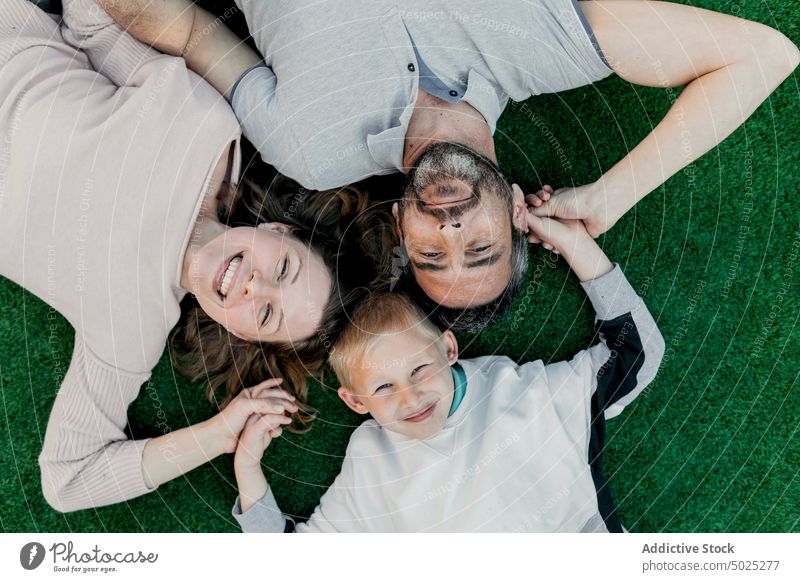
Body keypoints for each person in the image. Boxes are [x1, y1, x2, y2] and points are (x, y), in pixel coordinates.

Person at [99, 0, 799, 330]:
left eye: (434, 254)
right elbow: (767, 56)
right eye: (480, 245)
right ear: (517, 207)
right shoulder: (549, 43)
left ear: (402, 224)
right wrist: (615, 193)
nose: (452, 227)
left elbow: (191, 30)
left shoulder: (310, 150)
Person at [0, 0, 389, 512]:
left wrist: (220, 433)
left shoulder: (130, 334)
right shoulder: (205, 127)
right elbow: (92, 20)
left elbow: (68, 480)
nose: (256, 286)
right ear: (278, 229)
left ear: (242, 333)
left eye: (266, 313)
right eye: (283, 268)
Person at [229, 209, 666, 532]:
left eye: (419, 370)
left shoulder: (516, 395)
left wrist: (573, 244)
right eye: (383, 387)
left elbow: (634, 353)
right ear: (355, 401)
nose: (410, 398)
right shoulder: (371, 469)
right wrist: (247, 469)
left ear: (448, 347)